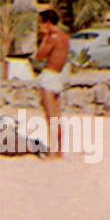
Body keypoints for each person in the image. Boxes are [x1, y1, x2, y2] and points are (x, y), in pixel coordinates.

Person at [30, 9, 70, 158]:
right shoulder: (65, 37)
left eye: (41, 24)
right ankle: (58, 151)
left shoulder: (52, 38)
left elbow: (39, 57)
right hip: (58, 76)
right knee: (57, 117)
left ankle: (53, 153)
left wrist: (44, 39)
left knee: (50, 118)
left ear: (47, 23)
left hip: (48, 77)